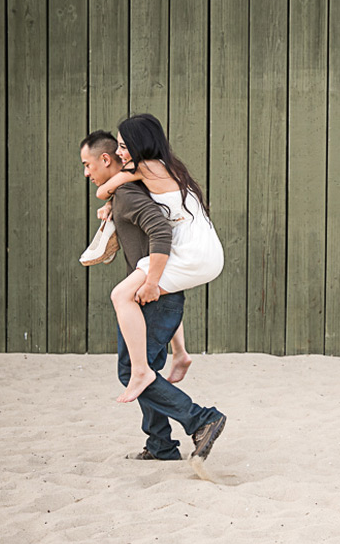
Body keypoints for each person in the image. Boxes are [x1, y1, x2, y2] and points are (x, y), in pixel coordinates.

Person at [80, 130, 226, 463]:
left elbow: (160, 231)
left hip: (155, 294)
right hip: (159, 292)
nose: (86, 173)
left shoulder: (130, 192)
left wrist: (114, 202)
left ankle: (201, 419)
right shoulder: (134, 189)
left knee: (134, 368)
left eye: (88, 164)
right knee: (143, 367)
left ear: (107, 160)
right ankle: (160, 445)